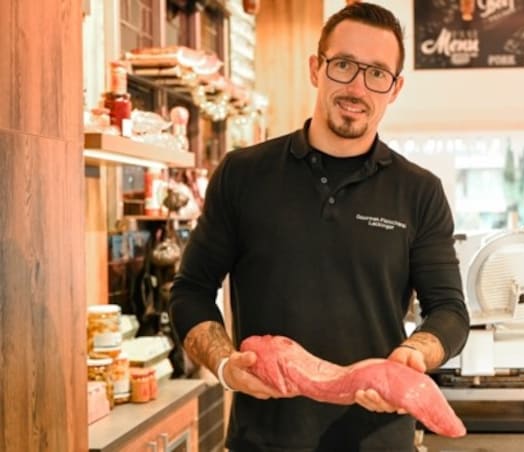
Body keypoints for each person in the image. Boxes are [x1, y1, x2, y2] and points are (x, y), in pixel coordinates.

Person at [169, 3, 470, 451]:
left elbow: (449, 310)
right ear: (317, 69)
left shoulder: (419, 191)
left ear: (395, 88)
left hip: (378, 441)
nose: (356, 86)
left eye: (377, 73)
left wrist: (416, 353)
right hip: (263, 442)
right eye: (344, 65)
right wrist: (227, 367)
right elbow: (190, 291)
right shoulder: (243, 174)